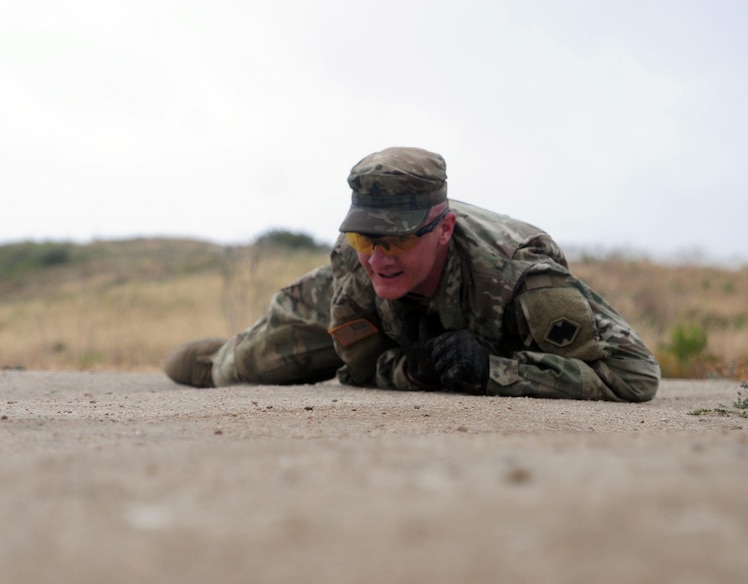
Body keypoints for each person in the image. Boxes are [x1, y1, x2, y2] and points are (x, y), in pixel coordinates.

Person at [163, 147, 660, 402]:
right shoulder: (357, 265)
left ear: (444, 229)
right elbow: (361, 368)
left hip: (483, 315)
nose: (379, 256)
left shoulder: (521, 280)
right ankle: (217, 355)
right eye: (365, 239)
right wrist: (415, 370)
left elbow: (635, 375)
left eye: (397, 239)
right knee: (235, 369)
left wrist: (494, 372)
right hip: (377, 309)